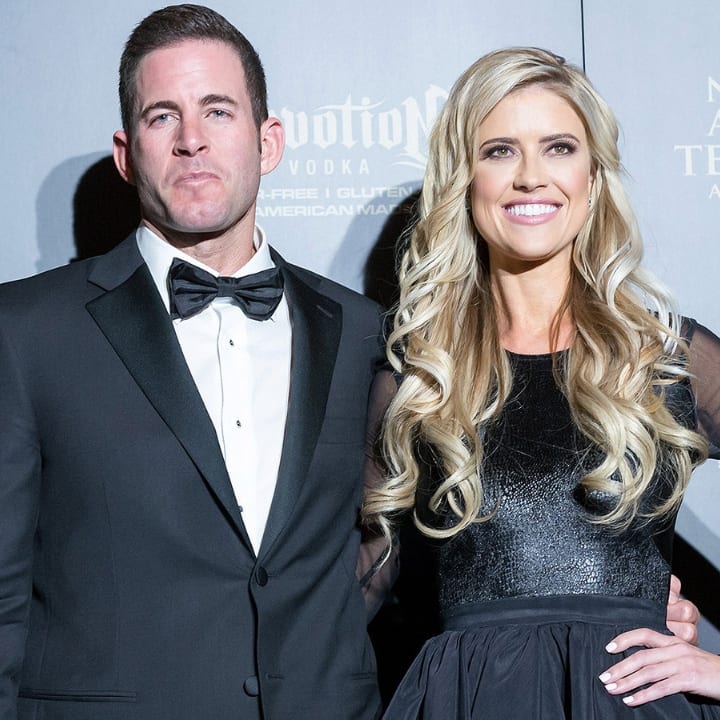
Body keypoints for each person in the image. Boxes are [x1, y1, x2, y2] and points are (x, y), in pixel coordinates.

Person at [0, 5, 388, 719]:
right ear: (127, 155)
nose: (191, 140)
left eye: (217, 110)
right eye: (162, 117)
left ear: (268, 141)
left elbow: (394, 551)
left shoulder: (363, 332)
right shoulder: (26, 331)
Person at [363, 47, 720, 717]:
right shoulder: (419, 371)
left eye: (558, 147)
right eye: (499, 151)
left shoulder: (666, 355)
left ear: (594, 174)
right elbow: (361, 581)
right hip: (469, 699)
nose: (531, 177)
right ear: (464, 177)